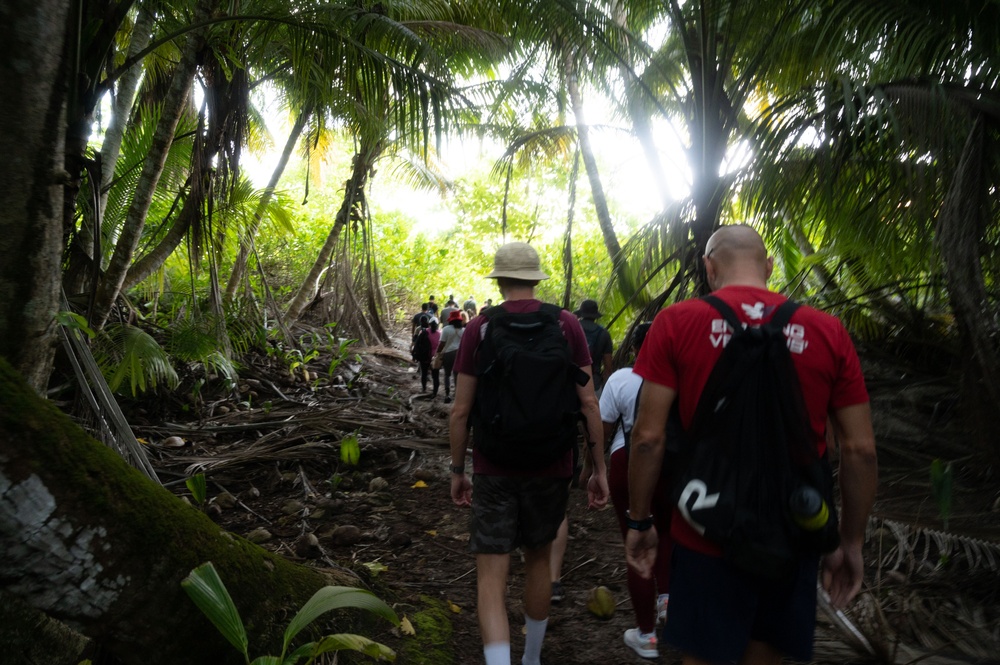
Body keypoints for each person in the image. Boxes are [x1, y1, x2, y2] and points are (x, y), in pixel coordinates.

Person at [625, 225, 878, 665]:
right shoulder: (827, 330)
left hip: (703, 530)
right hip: (792, 532)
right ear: (769, 266)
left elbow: (647, 438)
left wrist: (640, 520)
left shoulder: (676, 322)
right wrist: (850, 542)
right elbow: (860, 451)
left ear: (708, 269)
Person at [449, 241, 609, 665]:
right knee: (539, 559)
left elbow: (461, 410)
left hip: (493, 463)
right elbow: (589, 402)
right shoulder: (566, 324)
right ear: (535, 280)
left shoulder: (478, 328)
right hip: (551, 462)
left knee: (491, 573)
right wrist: (599, 470)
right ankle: (532, 659)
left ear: (500, 281)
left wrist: (456, 470)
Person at [574, 299, 613, 394]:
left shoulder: (573, 327)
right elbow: (608, 367)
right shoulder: (603, 334)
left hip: (572, 382)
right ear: (596, 315)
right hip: (593, 384)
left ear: (581, 313)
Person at [436, 309, 465, 403]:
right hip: (459, 354)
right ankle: (457, 395)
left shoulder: (446, 329)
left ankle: (447, 395)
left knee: (447, 375)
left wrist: (437, 353)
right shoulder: (464, 330)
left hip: (448, 353)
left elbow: (442, 344)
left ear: (451, 320)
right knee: (457, 375)